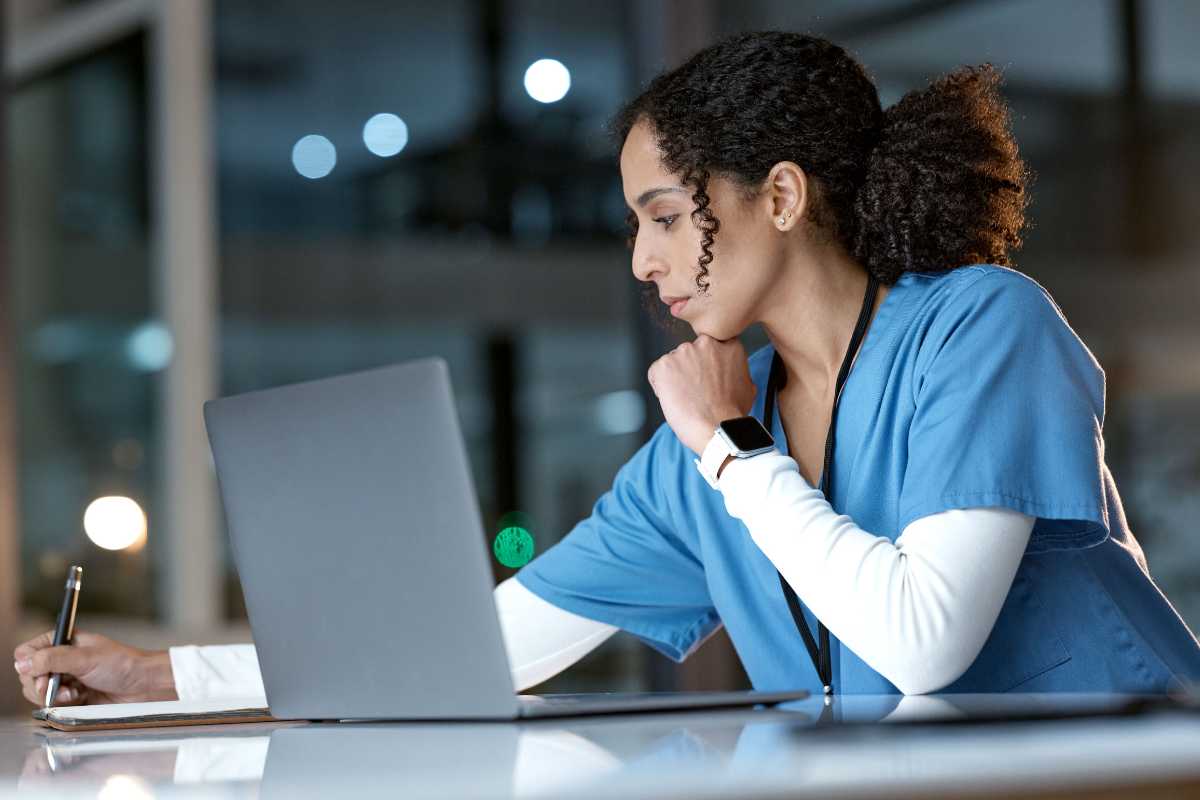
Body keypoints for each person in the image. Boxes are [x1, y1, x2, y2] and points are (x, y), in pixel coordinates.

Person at [14, 31, 1200, 707]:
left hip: (1131, 774)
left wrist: (734, 451)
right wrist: (160, 675)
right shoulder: (704, 452)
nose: (643, 258)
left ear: (782, 196)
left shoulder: (980, 325)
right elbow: (478, 648)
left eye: (666, 215)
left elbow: (923, 639)